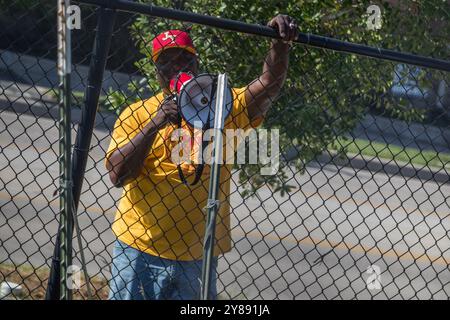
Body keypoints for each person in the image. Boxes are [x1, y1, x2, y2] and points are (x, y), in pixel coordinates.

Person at [105, 14, 299, 300]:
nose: (176, 67)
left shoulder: (224, 107)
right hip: (139, 248)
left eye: (184, 59)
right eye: (166, 61)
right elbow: (118, 175)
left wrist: (279, 45)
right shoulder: (138, 114)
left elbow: (269, 84)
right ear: (156, 70)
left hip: (197, 254)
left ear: (196, 64)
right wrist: (156, 123)